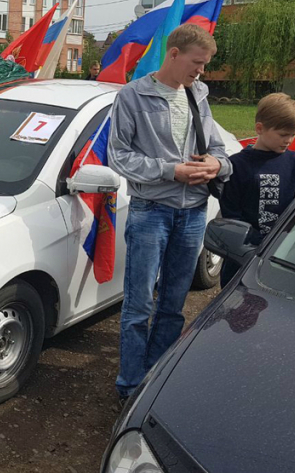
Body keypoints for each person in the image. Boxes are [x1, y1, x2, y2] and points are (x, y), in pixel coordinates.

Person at [108, 24, 231, 402]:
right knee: (140, 304)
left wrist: (216, 166)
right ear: (174, 54)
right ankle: (130, 385)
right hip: (150, 212)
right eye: (197, 63)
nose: (201, 71)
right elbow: (118, 156)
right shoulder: (132, 96)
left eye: (206, 65)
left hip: (193, 214)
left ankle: (154, 386)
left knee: (174, 304)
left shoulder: (199, 95)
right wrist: (170, 171)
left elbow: (219, 151)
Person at [219, 93, 295, 286]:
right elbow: (231, 213)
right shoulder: (237, 165)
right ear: (259, 128)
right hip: (243, 255)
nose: (288, 140)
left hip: (282, 254)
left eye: (293, 134)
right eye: (283, 134)